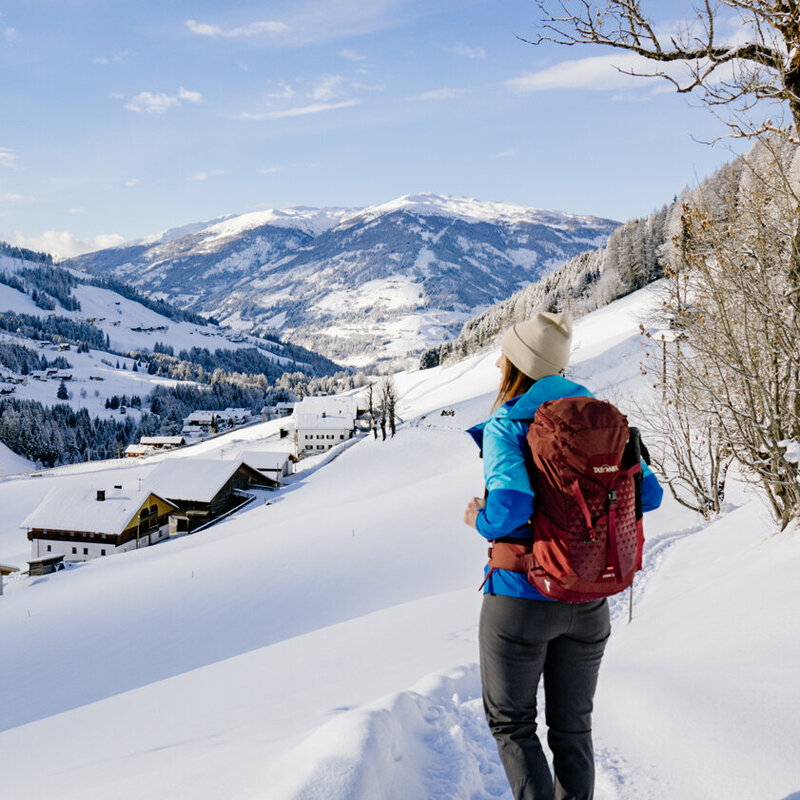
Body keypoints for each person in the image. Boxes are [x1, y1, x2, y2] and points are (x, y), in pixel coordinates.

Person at [463, 311, 663, 800]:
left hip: (521, 597)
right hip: (590, 598)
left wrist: (477, 519)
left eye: (504, 356)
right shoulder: (606, 421)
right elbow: (650, 496)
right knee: (574, 731)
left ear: (518, 366)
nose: (496, 364)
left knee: (513, 725)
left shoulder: (508, 422)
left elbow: (509, 507)